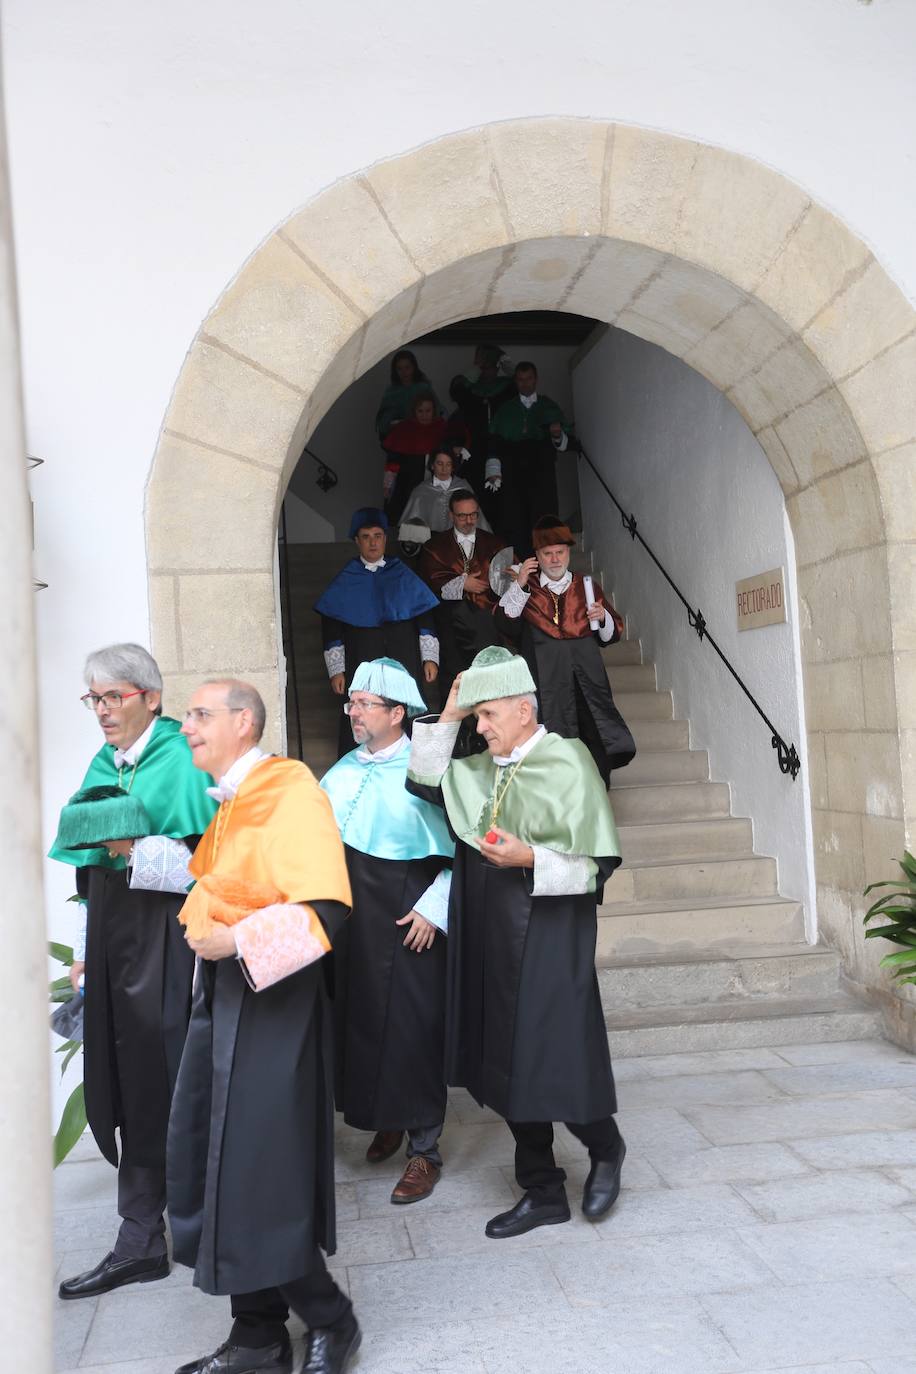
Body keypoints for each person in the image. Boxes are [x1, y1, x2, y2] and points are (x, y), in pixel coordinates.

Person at [167, 679, 360, 1374]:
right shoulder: (231, 803)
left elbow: (327, 907)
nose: (185, 725)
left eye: (199, 714)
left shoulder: (291, 788)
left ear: (243, 722)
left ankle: (332, 1320)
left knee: (260, 1168)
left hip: (276, 1005)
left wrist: (240, 944)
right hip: (222, 999)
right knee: (219, 1159)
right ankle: (256, 1336)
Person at [407, 646, 626, 1239]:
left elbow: (596, 866)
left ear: (525, 711)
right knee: (506, 1066)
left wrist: (530, 857)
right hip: (490, 937)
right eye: (476, 719)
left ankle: (605, 1146)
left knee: (558, 1056)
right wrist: (449, 716)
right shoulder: (480, 769)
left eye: (488, 717)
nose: (481, 729)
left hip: (550, 937)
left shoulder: (569, 763)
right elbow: (424, 779)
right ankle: (543, 1190)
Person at [50, 644, 216, 1300]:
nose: (100, 711)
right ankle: (140, 1237)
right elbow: (91, 862)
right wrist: (87, 941)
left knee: (170, 1081)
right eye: (92, 699)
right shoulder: (103, 763)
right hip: (113, 942)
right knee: (123, 1079)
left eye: (111, 696)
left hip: (168, 943)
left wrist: (135, 850)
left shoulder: (183, 760)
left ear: (150, 695)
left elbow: (211, 868)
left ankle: (198, 1228)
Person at [320, 658, 454, 1203]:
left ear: (398, 713)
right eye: (351, 702)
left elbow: (461, 849)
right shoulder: (342, 771)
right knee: (364, 1021)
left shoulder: (427, 775)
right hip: (355, 924)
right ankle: (388, 1119)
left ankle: (425, 1149)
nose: (352, 711)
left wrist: (435, 908)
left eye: (363, 704)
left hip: (408, 919)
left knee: (412, 1028)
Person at [499, 516, 636, 786]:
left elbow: (608, 635)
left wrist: (603, 615)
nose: (554, 559)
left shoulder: (585, 587)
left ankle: (596, 790)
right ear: (537, 556)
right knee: (550, 734)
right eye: (547, 553)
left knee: (594, 731)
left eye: (559, 552)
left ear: (568, 553)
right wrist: (521, 585)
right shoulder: (529, 589)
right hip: (545, 678)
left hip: (585, 676)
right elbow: (505, 624)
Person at [314, 507, 440, 756]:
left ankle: (417, 764)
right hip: (362, 655)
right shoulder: (346, 578)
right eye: (366, 536)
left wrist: (429, 657)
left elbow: (424, 614)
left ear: (385, 538)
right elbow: (332, 625)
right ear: (356, 541)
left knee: (408, 707)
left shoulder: (402, 573)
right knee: (363, 709)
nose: (373, 542)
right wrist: (337, 669)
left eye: (378, 535)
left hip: (404, 654)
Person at [419, 488, 512, 702]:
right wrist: (463, 584)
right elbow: (428, 583)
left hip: (487, 625)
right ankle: (459, 733)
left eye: (473, 514)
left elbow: (509, 580)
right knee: (455, 683)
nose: (469, 520)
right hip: (451, 626)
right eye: (462, 515)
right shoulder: (434, 547)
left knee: (490, 683)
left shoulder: (495, 544)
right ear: (451, 515)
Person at [488, 361, 575, 559]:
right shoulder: (505, 409)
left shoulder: (548, 406)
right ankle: (520, 565)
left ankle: (548, 563)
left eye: (528, 379)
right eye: (520, 380)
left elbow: (563, 441)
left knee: (544, 515)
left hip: (541, 469)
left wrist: (556, 434)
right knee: (514, 516)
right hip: (513, 469)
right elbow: (494, 440)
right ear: (516, 381)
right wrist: (494, 469)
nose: (525, 384)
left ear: (535, 380)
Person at [448, 342, 515, 527]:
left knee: (503, 497)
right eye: (483, 367)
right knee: (477, 495)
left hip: (502, 449)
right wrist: (476, 366)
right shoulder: (469, 390)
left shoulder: (506, 387)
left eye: (491, 366)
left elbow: (521, 382)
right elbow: (455, 390)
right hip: (475, 449)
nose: (487, 371)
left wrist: (505, 361)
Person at [382, 392, 470, 522]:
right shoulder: (404, 429)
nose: (424, 415)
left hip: (436, 481)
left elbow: (450, 452)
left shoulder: (442, 428)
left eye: (428, 411)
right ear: (414, 411)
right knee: (408, 512)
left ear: (434, 411)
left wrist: (456, 450)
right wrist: (388, 483)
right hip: (408, 480)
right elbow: (393, 460)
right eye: (420, 411)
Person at [398, 447, 491, 549]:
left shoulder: (464, 488)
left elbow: (478, 521)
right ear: (432, 465)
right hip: (430, 547)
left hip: (460, 547)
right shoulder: (421, 491)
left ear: (453, 466)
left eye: (448, 464)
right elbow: (410, 526)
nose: (444, 469)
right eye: (440, 464)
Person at [374, 348, 441, 442]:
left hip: (423, 438)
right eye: (399, 369)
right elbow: (383, 424)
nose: (404, 372)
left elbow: (437, 413)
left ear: (414, 368)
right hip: (399, 440)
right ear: (395, 370)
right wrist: (393, 423)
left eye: (407, 367)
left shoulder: (424, 388)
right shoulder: (391, 392)